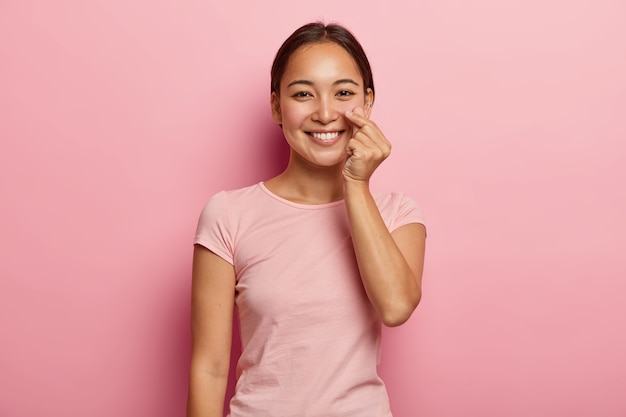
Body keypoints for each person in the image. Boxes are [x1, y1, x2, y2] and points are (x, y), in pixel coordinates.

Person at [187, 22, 427, 417]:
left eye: (344, 93)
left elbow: (396, 307)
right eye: (303, 94)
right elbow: (209, 369)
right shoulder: (228, 213)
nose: (326, 113)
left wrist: (355, 184)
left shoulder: (398, 213)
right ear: (277, 106)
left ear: (367, 103)